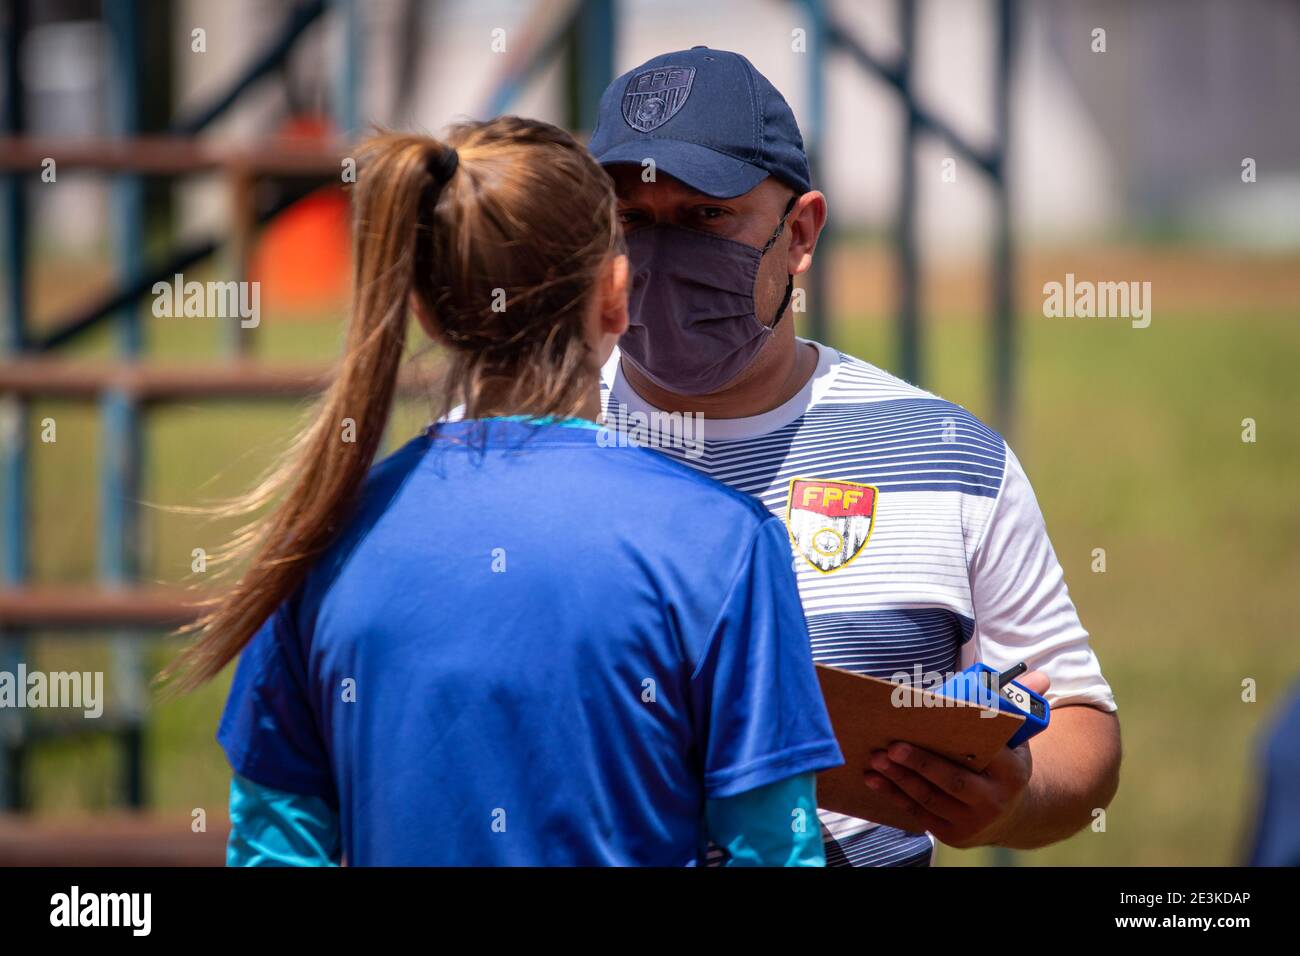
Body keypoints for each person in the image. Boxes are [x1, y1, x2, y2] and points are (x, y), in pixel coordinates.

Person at [165, 116, 844, 866]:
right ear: (617, 294)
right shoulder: (724, 542)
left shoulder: (320, 534)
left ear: (422, 304)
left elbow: (274, 847)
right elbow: (773, 849)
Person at [588, 47, 1121, 866]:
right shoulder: (518, 434)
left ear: (799, 234)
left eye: (704, 218)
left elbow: (1083, 726)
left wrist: (1008, 802)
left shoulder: (946, 458)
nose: (663, 258)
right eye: (630, 219)